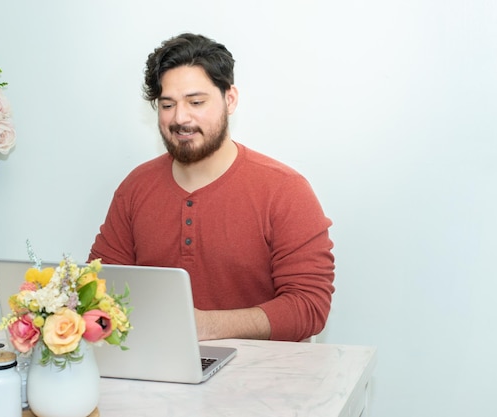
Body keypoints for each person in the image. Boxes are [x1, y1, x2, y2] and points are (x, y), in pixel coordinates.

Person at [88, 33, 335, 342]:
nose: (180, 118)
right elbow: (99, 287)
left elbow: (309, 306)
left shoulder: (285, 191)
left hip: (264, 378)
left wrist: (206, 326)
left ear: (229, 99)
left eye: (196, 102)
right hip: (160, 372)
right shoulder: (136, 188)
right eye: (167, 104)